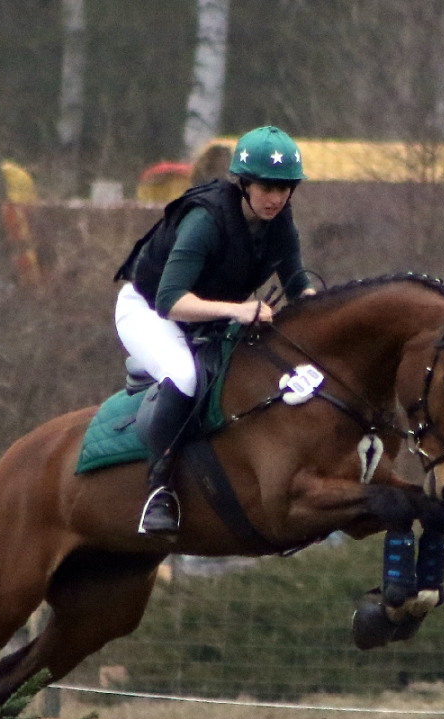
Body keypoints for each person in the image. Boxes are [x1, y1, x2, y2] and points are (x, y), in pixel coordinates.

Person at [113, 125, 315, 535]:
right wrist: (239, 311)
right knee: (185, 376)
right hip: (149, 310)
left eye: (284, 188)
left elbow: (300, 290)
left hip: (209, 315)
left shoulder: (280, 222)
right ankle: (159, 492)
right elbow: (170, 301)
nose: (276, 198)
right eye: (266, 187)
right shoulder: (206, 219)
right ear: (244, 183)